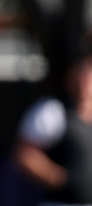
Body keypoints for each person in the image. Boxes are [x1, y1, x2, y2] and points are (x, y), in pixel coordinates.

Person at [13, 50, 92, 206]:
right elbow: (25, 153)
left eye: (89, 75)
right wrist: (57, 177)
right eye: (80, 74)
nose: (84, 82)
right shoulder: (53, 109)